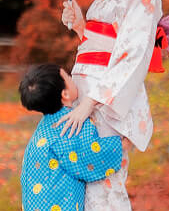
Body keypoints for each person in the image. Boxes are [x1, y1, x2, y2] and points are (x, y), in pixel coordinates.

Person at [58, 0, 166, 210]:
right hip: (87, 94)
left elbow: (131, 54)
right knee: (84, 187)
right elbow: (102, 43)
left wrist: (90, 103)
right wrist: (81, 28)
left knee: (104, 186)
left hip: (104, 101)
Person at [19, 63, 124, 211]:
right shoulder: (69, 126)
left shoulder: (46, 127)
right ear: (65, 94)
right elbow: (91, 158)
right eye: (69, 77)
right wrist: (120, 144)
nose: (72, 78)